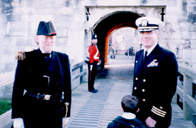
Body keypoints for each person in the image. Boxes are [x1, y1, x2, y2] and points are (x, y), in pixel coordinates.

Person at [11, 21, 71, 128]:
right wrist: (17, 117)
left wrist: (66, 114)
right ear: (37, 39)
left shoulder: (62, 58)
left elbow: (67, 88)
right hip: (32, 111)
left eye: (51, 38)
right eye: (46, 38)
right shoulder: (26, 59)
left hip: (55, 112)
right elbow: (17, 89)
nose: (49, 41)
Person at [132, 17, 178, 128]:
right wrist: (132, 107)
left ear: (156, 34)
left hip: (155, 116)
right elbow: (136, 84)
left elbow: (169, 89)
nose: (145, 36)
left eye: (149, 32)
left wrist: (154, 116)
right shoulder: (139, 55)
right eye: (142, 32)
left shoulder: (166, 56)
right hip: (139, 112)